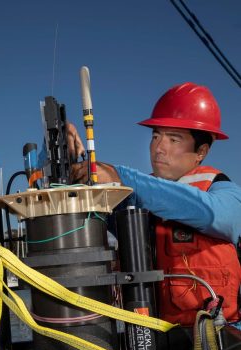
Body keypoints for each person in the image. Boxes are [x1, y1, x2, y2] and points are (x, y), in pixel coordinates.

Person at [71, 82, 241, 326]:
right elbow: (89, 212)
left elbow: (210, 213)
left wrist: (121, 177)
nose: (159, 148)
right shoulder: (135, 197)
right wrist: (72, 163)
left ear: (201, 151)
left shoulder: (226, 194)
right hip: (152, 341)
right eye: (156, 136)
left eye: (174, 139)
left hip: (220, 342)